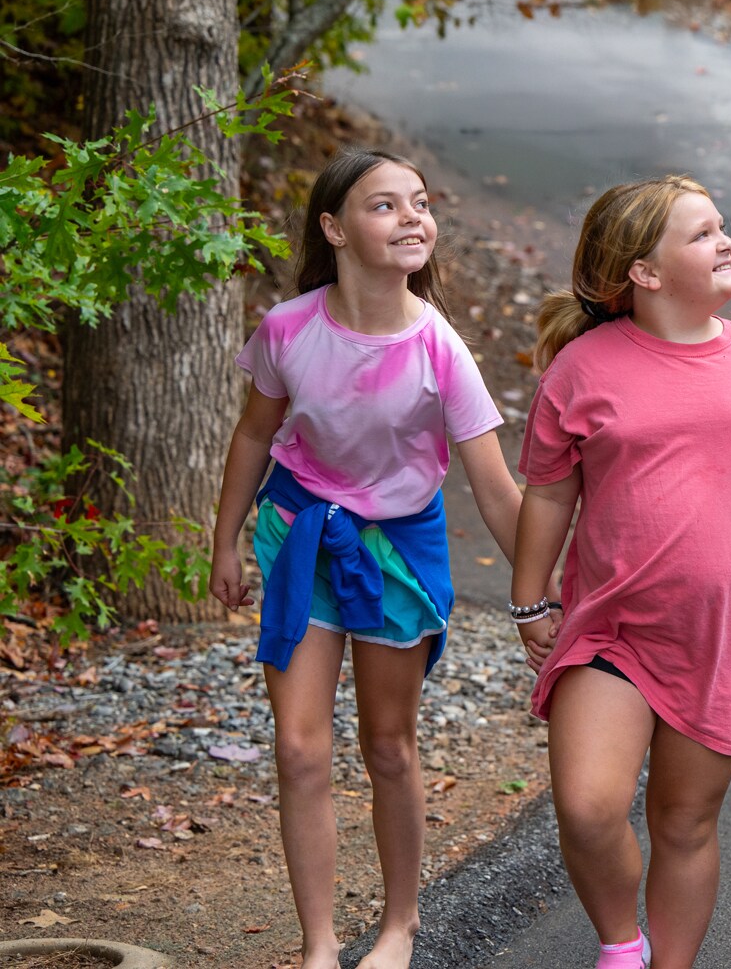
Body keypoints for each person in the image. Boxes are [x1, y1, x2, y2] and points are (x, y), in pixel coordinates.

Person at [209, 148, 522, 969]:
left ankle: (398, 926)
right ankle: (317, 946)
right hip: (299, 531)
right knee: (300, 748)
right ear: (334, 229)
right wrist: (226, 540)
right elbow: (253, 433)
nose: (413, 218)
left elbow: (494, 487)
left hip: (398, 552)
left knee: (389, 747)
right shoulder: (287, 328)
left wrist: (543, 588)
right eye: (385, 206)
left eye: (420, 202)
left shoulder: (441, 349)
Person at [510, 175, 731, 969]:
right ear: (644, 273)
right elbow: (549, 497)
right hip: (610, 628)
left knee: (685, 821)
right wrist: (528, 602)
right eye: (702, 234)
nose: (727, 241)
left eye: (721, 226)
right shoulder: (582, 370)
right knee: (588, 808)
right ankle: (622, 947)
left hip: (721, 631)